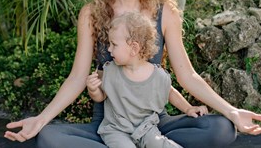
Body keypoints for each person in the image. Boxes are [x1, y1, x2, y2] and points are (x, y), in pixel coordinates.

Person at [4, 0, 261, 147]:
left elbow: (187, 76)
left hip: (155, 121)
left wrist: (232, 111)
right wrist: (41, 120)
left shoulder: (165, 12)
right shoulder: (90, 13)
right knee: (50, 138)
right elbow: (77, 78)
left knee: (221, 129)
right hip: (110, 124)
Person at [86, 12, 208, 148]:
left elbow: (169, 92)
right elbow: (101, 97)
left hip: (146, 128)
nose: (109, 49)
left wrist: (188, 108)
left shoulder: (157, 75)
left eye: (114, 44)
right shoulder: (110, 70)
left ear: (134, 48)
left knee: (160, 144)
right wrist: (93, 89)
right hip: (116, 129)